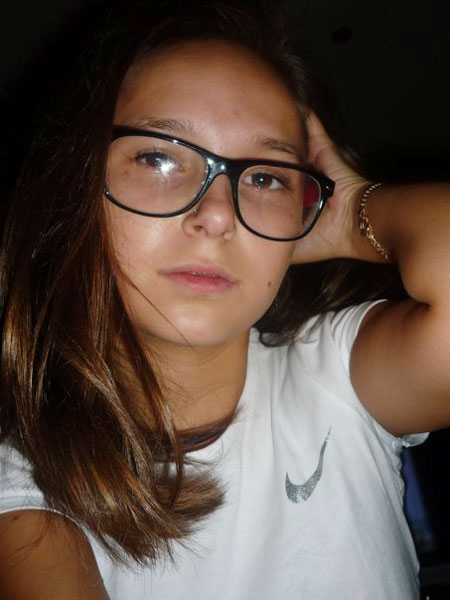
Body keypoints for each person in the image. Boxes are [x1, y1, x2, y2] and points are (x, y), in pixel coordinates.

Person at [0, 2, 449, 598]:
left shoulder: (337, 377)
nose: (216, 214)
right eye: (159, 157)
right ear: (79, 189)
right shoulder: (27, 491)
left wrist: (352, 216)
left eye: (265, 177)